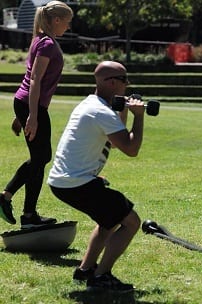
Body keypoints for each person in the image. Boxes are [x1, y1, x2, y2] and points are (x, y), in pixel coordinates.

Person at [47, 61, 143, 292]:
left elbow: (114, 140)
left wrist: (123, 110)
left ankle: (86, 270)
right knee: (131, 222)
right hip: (74, 183)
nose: (127, 84)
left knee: (108, 220)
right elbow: (130, 149)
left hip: (64, 181)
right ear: (112, 82)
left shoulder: (92, 104)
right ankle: (101, 277)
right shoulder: (100, 111)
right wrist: (139, 116)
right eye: (124, 79)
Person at [0, 1, 73, 228]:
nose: (68, 27)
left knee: (41, 157)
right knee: (41, 158)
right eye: (67, 22)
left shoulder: (39, 39)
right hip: (32, 107)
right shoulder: (47, 44)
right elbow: (34, 80)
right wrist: (31, 115)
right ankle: (27, 215)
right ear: (57, 20)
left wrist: (22, 115)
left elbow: (31, 77)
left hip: (26, 105)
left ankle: (9, 199)